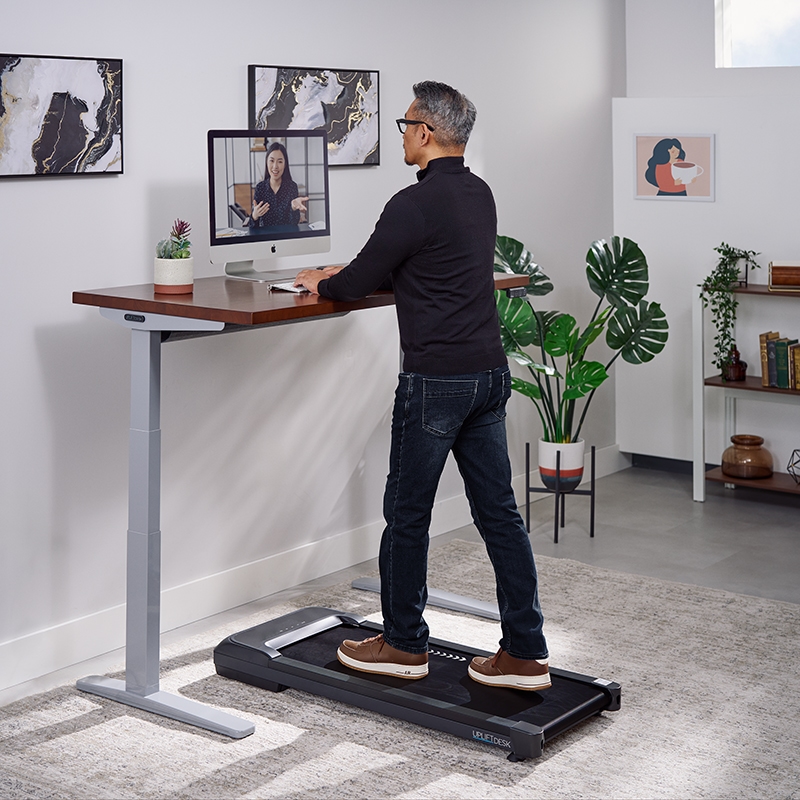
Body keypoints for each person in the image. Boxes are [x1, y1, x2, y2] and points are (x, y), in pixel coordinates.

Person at [294, 81, 550, 691]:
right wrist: (351, 271)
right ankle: (525, 650)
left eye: (406, 124)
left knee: (407, 517)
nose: (403, 134)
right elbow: (431, 263)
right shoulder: (479, 194)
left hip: (436, 382)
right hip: (489, 376)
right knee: (501, 516)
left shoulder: (411, 204)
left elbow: (358, 281)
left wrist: (319, 281)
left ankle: (404, 644)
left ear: (427, 132)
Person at [247, 141, 308, 227]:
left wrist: (293, 208)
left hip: (286, 238)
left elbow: (294, 224)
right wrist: (255, 216)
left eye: (280, 162)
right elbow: (253, 228)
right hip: (266, 238)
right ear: (267, 162)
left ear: (285, 164)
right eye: (271, 161)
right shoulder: (260, 188)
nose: (275, 166)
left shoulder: (292, 187)